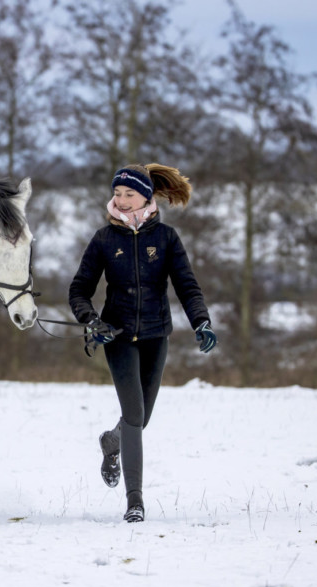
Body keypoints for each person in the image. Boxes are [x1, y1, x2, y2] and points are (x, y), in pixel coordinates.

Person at [68, 163, 217, 523]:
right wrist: (92, 321)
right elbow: (79, 291)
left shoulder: (165, 238)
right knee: (134, 415)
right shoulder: (104, 239)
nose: (119, 199)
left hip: (155, 336)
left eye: (128, 194)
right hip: (117, 338)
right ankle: (135, 501)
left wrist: (202, 322)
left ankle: (112, 442)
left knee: (142, 417)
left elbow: (187, 286)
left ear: (145, 197)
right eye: (117, 193)